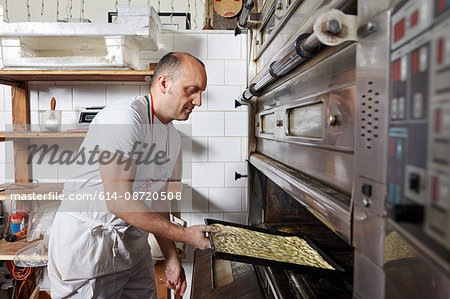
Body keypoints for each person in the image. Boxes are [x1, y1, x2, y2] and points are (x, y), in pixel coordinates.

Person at [47, 52, 219, 298]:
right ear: (163, 83)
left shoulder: (172, 136)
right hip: (91, 249)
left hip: (133, 249)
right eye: (191, 90)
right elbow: (119, 201)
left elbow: (158, 198)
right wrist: (184, 235)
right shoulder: (125, 118)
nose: (198, 101)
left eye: (200, 92)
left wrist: (171, 257)